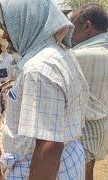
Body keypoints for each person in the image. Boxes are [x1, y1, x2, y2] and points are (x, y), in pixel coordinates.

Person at [0, 0, 89, 179]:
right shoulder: (59, 53)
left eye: (8, 26)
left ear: (28, 24)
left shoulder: (38, 70)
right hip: (66, 162)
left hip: (42, 168)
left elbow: (49, 146)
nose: (4, 35)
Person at [70, 4, 108, 180]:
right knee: (88, 172)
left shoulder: (77, 56)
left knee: (79, 173)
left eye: (72, 24)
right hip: (101, 123)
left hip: (83, 126)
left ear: (87, 26)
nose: (70, 30)